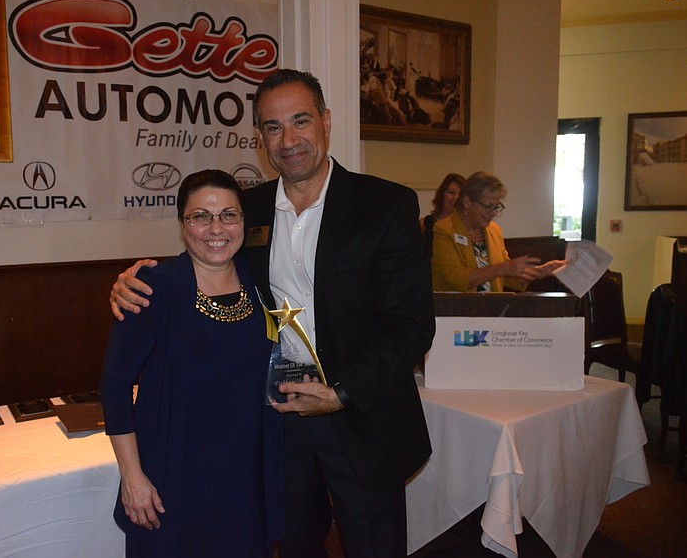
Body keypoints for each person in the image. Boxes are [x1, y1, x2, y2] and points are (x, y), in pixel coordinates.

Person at [110, 69, 434, 558]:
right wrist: (135, 281)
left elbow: (411, 325)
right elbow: (207, 257)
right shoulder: (249, 209)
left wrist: (341, 393)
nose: (289, 140)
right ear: (259, 138)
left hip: (363, 415)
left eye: (301, 121)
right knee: (295, 545)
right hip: (280, 421)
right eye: (273, 127)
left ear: (326, 122)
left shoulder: (385, 204)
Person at [100, 169, 283, 558]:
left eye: (229, 215)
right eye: (200, 216)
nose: (216, 228)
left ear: (243, 222)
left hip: (245, 478)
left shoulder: (259, 280)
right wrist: (132, 476)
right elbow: (114, 384)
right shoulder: (153, 287)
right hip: (173, 475)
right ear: (183, 224)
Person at [431, 171, 566, 292]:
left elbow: (507, 277)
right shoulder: (442, 230)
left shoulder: (494, 230)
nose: (493, 213)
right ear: (467, 202)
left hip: (491, 308)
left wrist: (541, 271)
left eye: (496, 207)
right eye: (488, 206)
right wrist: (502, 268)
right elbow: (457, 278)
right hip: (454, 309)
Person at [420, 172, 465, 257]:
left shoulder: (469, 226)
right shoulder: (425, 224)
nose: (456, 198)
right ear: (441, 194)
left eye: (460, 194)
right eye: (451, 192)